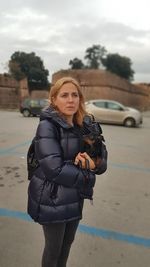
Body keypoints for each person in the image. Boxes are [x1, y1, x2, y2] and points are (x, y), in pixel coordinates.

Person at [27, 76, 108, 267]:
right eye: (64, 95)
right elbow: (54, 169)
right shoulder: (47, 126)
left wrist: (93, 165)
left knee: (67, 245)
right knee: (53, 249)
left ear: (80, 98)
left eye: (74, 95)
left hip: (75, 195)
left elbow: (101, 159)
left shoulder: (86, 124)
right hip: (52, 197)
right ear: (54, 99)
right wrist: (88, 175)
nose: (70, 100)